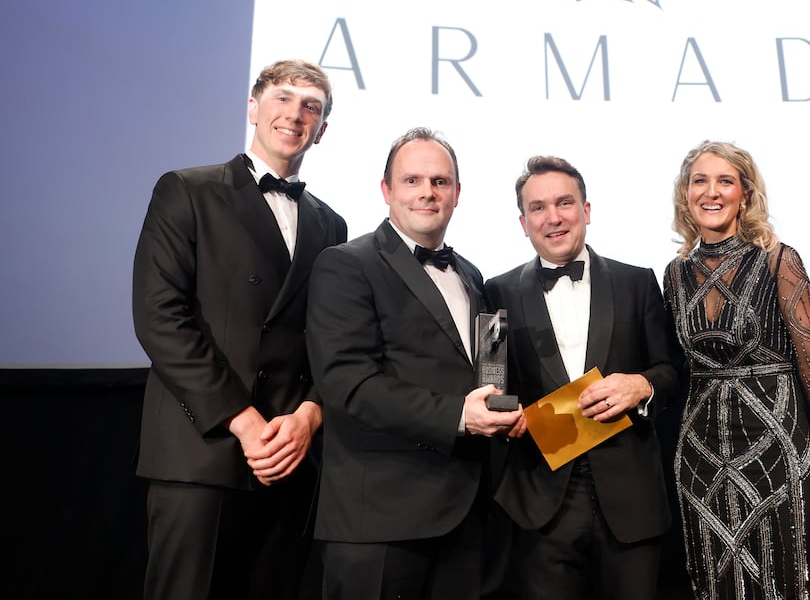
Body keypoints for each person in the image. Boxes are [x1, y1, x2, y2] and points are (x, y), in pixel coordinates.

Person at [132, 59, 348, 600]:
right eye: (282, 97)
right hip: (201, 446)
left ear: (322, 130)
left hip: (290, 455)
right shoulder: (187, 190)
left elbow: (334, 338)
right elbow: (160, 316)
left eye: (311, 107)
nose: (294, 114)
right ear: (253, 107)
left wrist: (309, 415)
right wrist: (244, 421)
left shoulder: (332, 223)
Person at [306, 127, 525, 600]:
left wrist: (507, 409)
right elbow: (347, 384)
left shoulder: (471, 274)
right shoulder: (345, 264)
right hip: (381, 519)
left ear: (457, 194)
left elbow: (490, 373)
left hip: (467, 514)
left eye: (440, 182)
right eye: (412, 180)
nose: (428, 192)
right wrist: (458, 416)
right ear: (386, 190)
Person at [483, 156, 683, 600]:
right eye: (538, 208)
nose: (553, 217)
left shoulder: (639, 283)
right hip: (540, 500)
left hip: (631, 497)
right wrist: (505, 414)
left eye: (564, 203)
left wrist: (642, 386)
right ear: (523, 221)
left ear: (586, 210)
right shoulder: (493, 292)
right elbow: (491, 384)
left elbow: (672, 372)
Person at [663, 140, 810, 599]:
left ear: (744, 194)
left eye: (725, 181)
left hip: (777, 453)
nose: (712, 192)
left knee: (785, 581)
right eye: (700, 181)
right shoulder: (674, 273)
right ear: (685, 195)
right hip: (700, 459)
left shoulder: (777, 260)